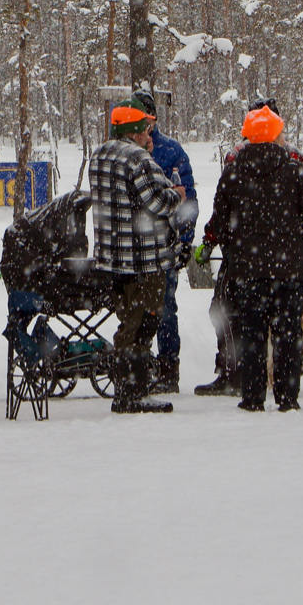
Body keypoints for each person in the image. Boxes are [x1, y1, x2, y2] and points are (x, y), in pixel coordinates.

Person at [199, 105, 303, 412]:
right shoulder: (295, 170)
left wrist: (224, 248)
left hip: (248, 270)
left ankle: (253, 396)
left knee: (252, 333)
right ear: (276, 134)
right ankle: (287, 397)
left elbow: (220, 221)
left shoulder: (233, 172)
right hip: (289, 269)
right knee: (288, 334)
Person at [87, 103, 183, 413]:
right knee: (142, 325)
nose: (148, 135)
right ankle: (133, 391)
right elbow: (156, 202)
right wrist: (176, 194)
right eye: (144, 129)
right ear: (133, 132)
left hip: (112, 258)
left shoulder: (99, 155)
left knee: (128, 319)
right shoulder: (139, 159)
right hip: (143, 259)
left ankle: (126, 388)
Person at [125, 92, 195, 395]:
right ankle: (138, 366)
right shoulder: (123, 152)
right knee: (133, 310)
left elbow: (186, 199)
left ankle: (168, 369)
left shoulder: (171, 151)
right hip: (132, 247)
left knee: (165, 309)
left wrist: (185, 240)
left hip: (163, 245)